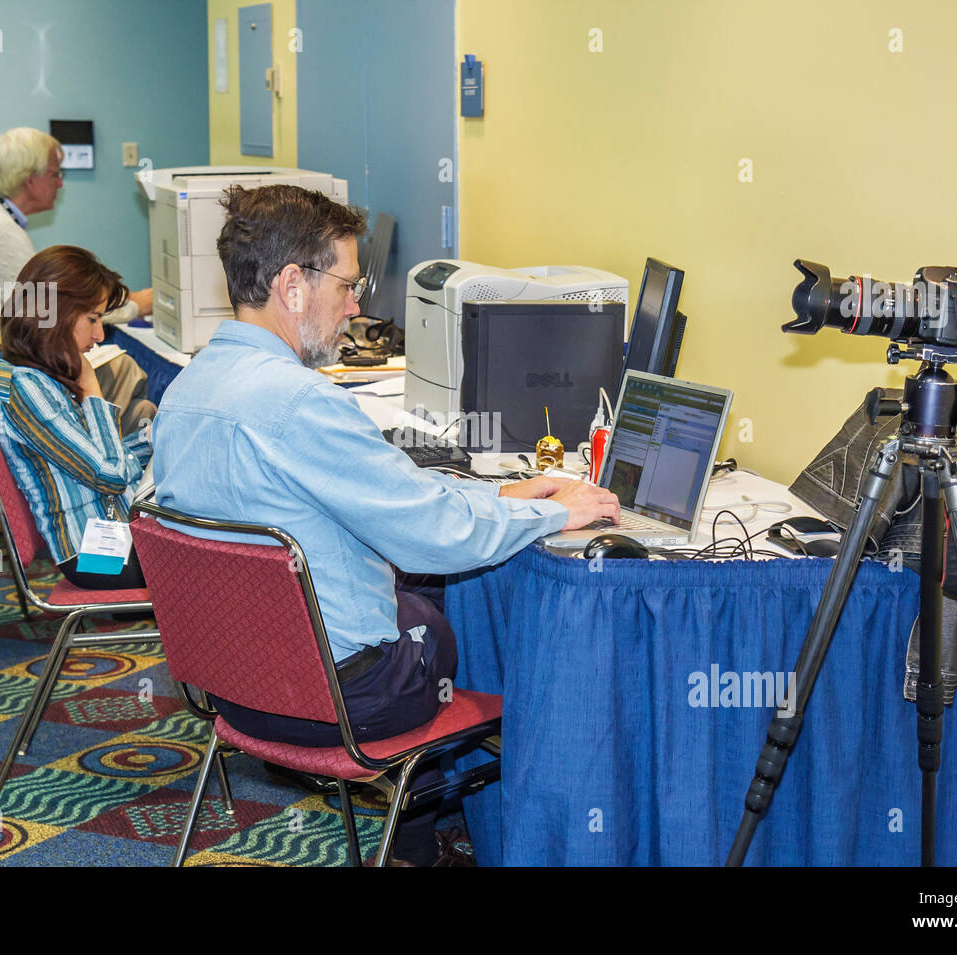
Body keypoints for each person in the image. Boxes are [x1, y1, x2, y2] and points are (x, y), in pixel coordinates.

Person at [152, 184, 619, 865]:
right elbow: (435, 531)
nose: (356, 305)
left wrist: (506, 494)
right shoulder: (299, 402)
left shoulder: (187, 392)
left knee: (412, 594)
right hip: (343, 703)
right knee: (449, 609)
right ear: (291, 286)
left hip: (234, 691)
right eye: (346, 285)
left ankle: (419, 834)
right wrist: (552, 511)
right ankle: (452, 830)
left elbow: (389, 494)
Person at [0, 127, 155, 433]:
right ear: (30, 180)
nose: (60, 184)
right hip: (3, 369)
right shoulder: (3, 231)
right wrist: (136, 305)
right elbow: (59, 309)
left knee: (134, 402)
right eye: (55, 175)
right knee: (127, 371)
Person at [0, 246, 151, 590]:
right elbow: (110, 475)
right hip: (95, 558)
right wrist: (91, 389)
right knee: (220, 559)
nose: (100, 335)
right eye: (93, 319)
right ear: (58, 314)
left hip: (112, 537)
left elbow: (101, 464)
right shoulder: (25, 390)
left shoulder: (39, 377)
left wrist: (157, 441)